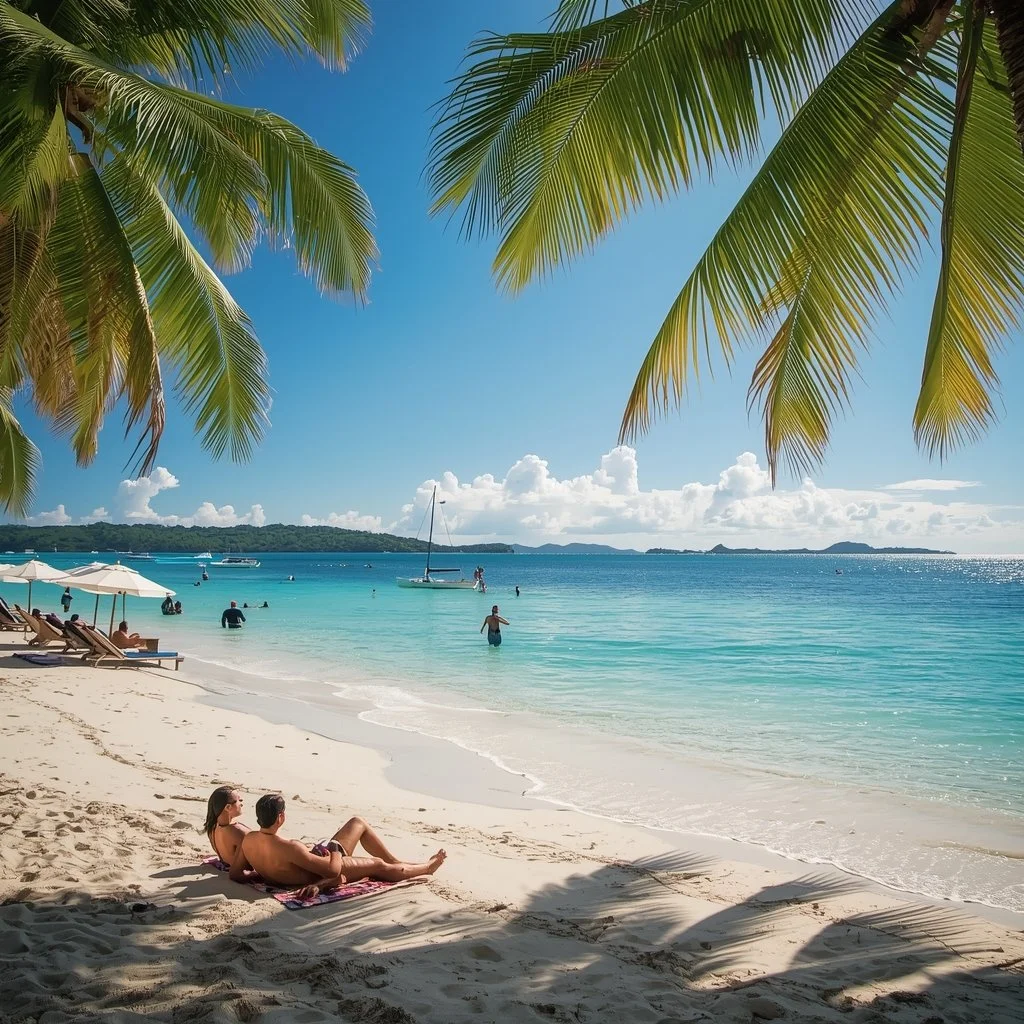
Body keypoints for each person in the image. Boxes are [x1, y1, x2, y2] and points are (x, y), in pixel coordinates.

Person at [228, 794, 446, 900]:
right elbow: (333, 870)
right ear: (281, 817)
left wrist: (266, 876)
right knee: (378, 865)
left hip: (309, 864)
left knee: (356, 823)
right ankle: (426, 868)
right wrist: (334, 849)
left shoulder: (249, 840)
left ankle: (397, 861)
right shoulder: (290, 847)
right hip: (324, 871)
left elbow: (236, 874)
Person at [202, 786, 249, 866]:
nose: (241, 803)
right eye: (238, 800)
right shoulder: (238, 831)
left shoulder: (212, 827)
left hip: (225, 864)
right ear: (228, 807)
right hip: (239, 869)